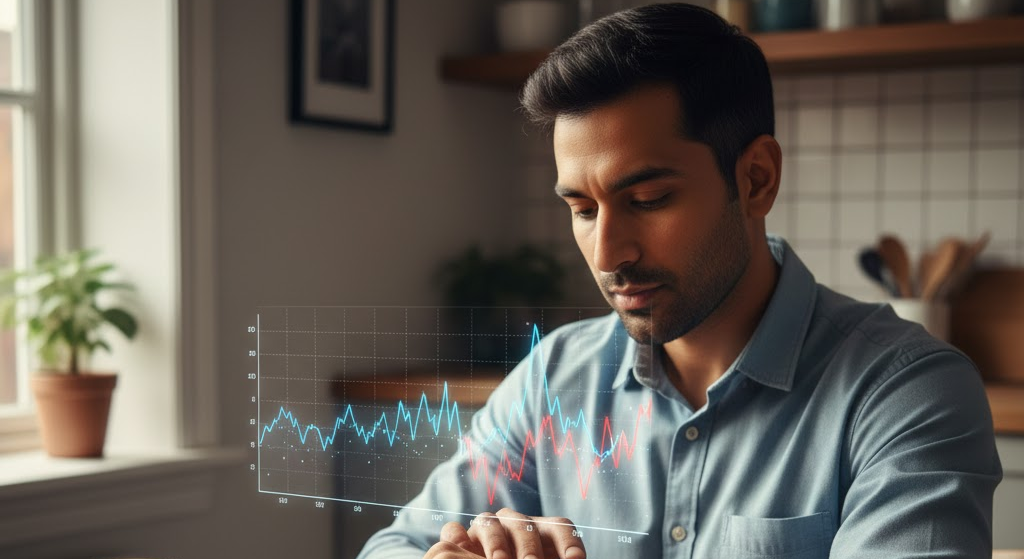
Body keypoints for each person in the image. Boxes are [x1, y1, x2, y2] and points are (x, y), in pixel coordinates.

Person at [356, 4, 1002, 558]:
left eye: (648, 199)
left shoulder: (906, 394)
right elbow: (391, 546)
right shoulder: (552, 377)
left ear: (756, 180)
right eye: (582, 209)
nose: (607, 251)